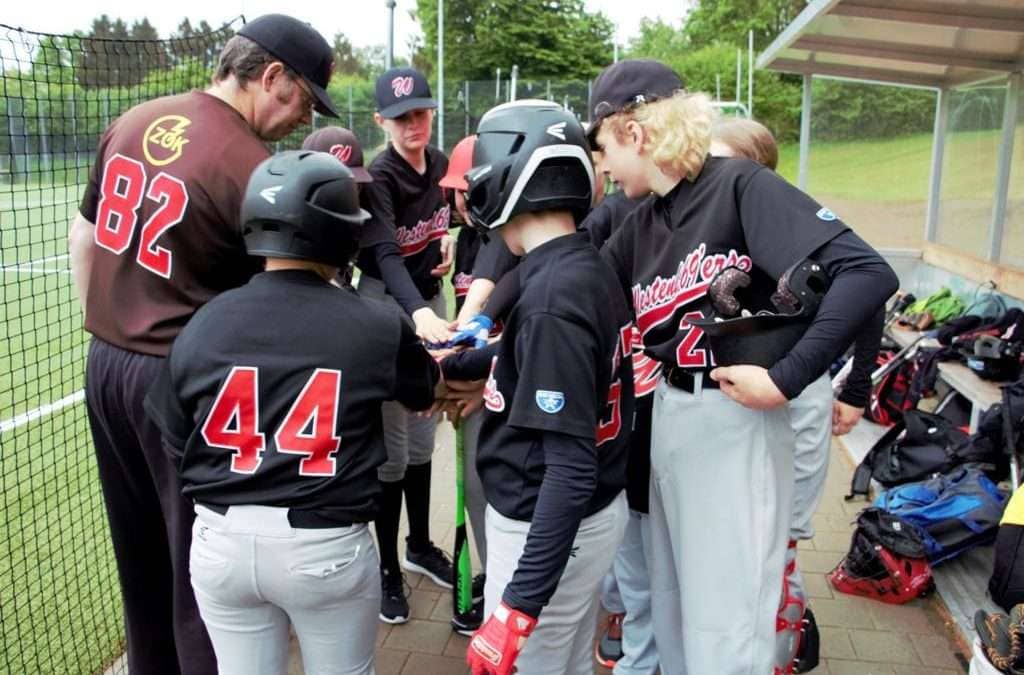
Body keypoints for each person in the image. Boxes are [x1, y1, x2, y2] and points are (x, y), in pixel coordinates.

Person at [588, 59, 898, 675]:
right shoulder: (644, 221)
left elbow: (868, 274)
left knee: (726, 628)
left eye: (601, 146)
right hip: (672, 421)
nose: (601, 165)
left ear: (633, 131)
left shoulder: (739, 186)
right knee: (674, 613)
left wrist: (787, 378)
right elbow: (576, 287)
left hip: (735, 420)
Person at [66, 14, 337, 674]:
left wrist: (109, 321)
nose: (303, 119)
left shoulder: (135, 119)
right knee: (202, 572)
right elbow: (278, 304)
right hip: (181, 382)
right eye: (303, 97)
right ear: (271, 76)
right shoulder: (249, 165)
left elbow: (84, 235)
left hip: (103, 364)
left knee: (140, 557)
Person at [143, 150, 443, 675]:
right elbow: (425, 392)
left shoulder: (204, 322)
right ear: (340, 234)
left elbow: (173, 433)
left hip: (220, 543)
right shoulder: (374, 322)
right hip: (323, 549)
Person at [440, 99, 633, 675]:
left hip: (545, 523)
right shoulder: (576, 262)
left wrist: (517, 610)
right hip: (582, 520)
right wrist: (471, 363)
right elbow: (559, 365)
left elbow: (569, 469)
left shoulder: (553, 297)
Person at [710, 116, 884, 673]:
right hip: (734, 398)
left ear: (757, 173)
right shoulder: (710, 223)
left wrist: (855, 391)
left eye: (726, 164)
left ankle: (783, 640)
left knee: (780, 532)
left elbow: (869, 292)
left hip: (797, 393)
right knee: (739, 529)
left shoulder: (789, 221)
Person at [354, 66, 455, 623]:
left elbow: (456, 218)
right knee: (391, 449)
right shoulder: (379, 176)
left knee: (422, 434)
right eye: (400, 116)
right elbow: (387, 255)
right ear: (381, 121)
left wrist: (446, 244)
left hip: (427, 306)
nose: (413, 123)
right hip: (387, 309)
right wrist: (416, 312)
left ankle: (419, 545)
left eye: (419, 111)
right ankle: (388, 567)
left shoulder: (440, 165)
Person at [301, 125, 375, 288]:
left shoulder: (356, 213)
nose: (344, 192)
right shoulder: (298, 221)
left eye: (352, 183)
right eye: (333, 184)